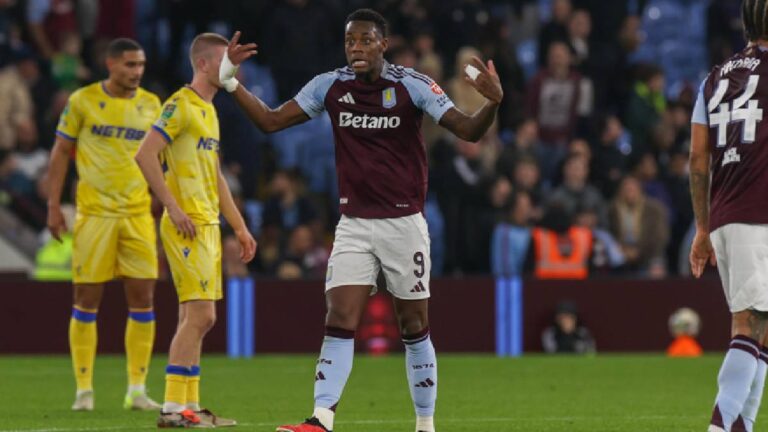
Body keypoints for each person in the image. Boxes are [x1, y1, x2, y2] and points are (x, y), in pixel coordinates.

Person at [220, 8, 502, 432]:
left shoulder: (413, 86)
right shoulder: (330, 86)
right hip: (353, 224)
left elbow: (467, 131)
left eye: (366, 40)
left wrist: (493, 103)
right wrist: (229, 81)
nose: (357, 48)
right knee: (339, 318)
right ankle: (321, 418)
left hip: (404, 224)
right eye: (351, 41)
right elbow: (270, 120)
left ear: (383, 45)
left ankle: (425, 425)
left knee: (414, 326)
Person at [134, 33, 257, 428]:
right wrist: (172, 206)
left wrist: (239, 227)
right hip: (187, 224)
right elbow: (144, 154)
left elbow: (215, 176)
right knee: (203, 317)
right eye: (223, 62)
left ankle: (190, 406)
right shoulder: (180, 105)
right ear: (203, 64)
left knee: (194, 316)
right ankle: (172, 409)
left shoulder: (208, 110)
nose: (229, 70)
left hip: (208, 224)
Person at [45, 38, 162, 412]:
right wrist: (53, 205)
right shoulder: (81, 101)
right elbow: (62, 151)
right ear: (110, 64)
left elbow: (160, 158)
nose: (137, 71)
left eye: (140, 64)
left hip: (137, 215)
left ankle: (137, 390)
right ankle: (84, 390)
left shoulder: (151, 104)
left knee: (143, 299)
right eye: (130, 64)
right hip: (94, 215)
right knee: (86, 300)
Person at [689, 3, 768, 430]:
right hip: (758, 212)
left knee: (761, 325)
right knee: (750, 321)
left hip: (726, 212)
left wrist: (702, 227)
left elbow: (697, 159)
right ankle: (721, 426)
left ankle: (742, 426)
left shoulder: (713, 78)